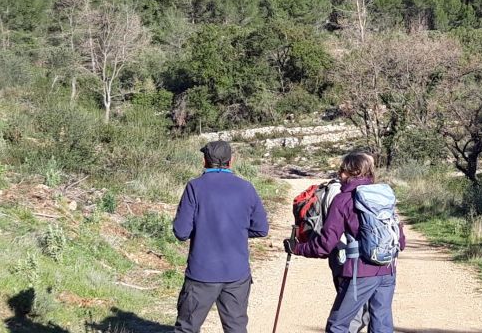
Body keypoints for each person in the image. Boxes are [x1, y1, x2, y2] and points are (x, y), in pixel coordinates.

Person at [288, 152, 406, 333]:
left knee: (338, 325)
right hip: (387, 269)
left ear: (355, 171)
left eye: (342, 170)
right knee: (381, 325)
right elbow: (400, 239)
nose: (339, 174)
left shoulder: (343, 200)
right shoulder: (382, 195)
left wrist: (297, 248)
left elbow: (325, 245)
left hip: (360, 273)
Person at [172, 140, 270, 333]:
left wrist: (203, 230)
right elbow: (261, 229)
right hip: (237, 273)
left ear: (204, 161)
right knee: (236, 328)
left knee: (187, 328)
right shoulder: (246, 187)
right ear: (230, 161)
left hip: (201, 273)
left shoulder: (194, 187)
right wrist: (237, 231)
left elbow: (181, 232)